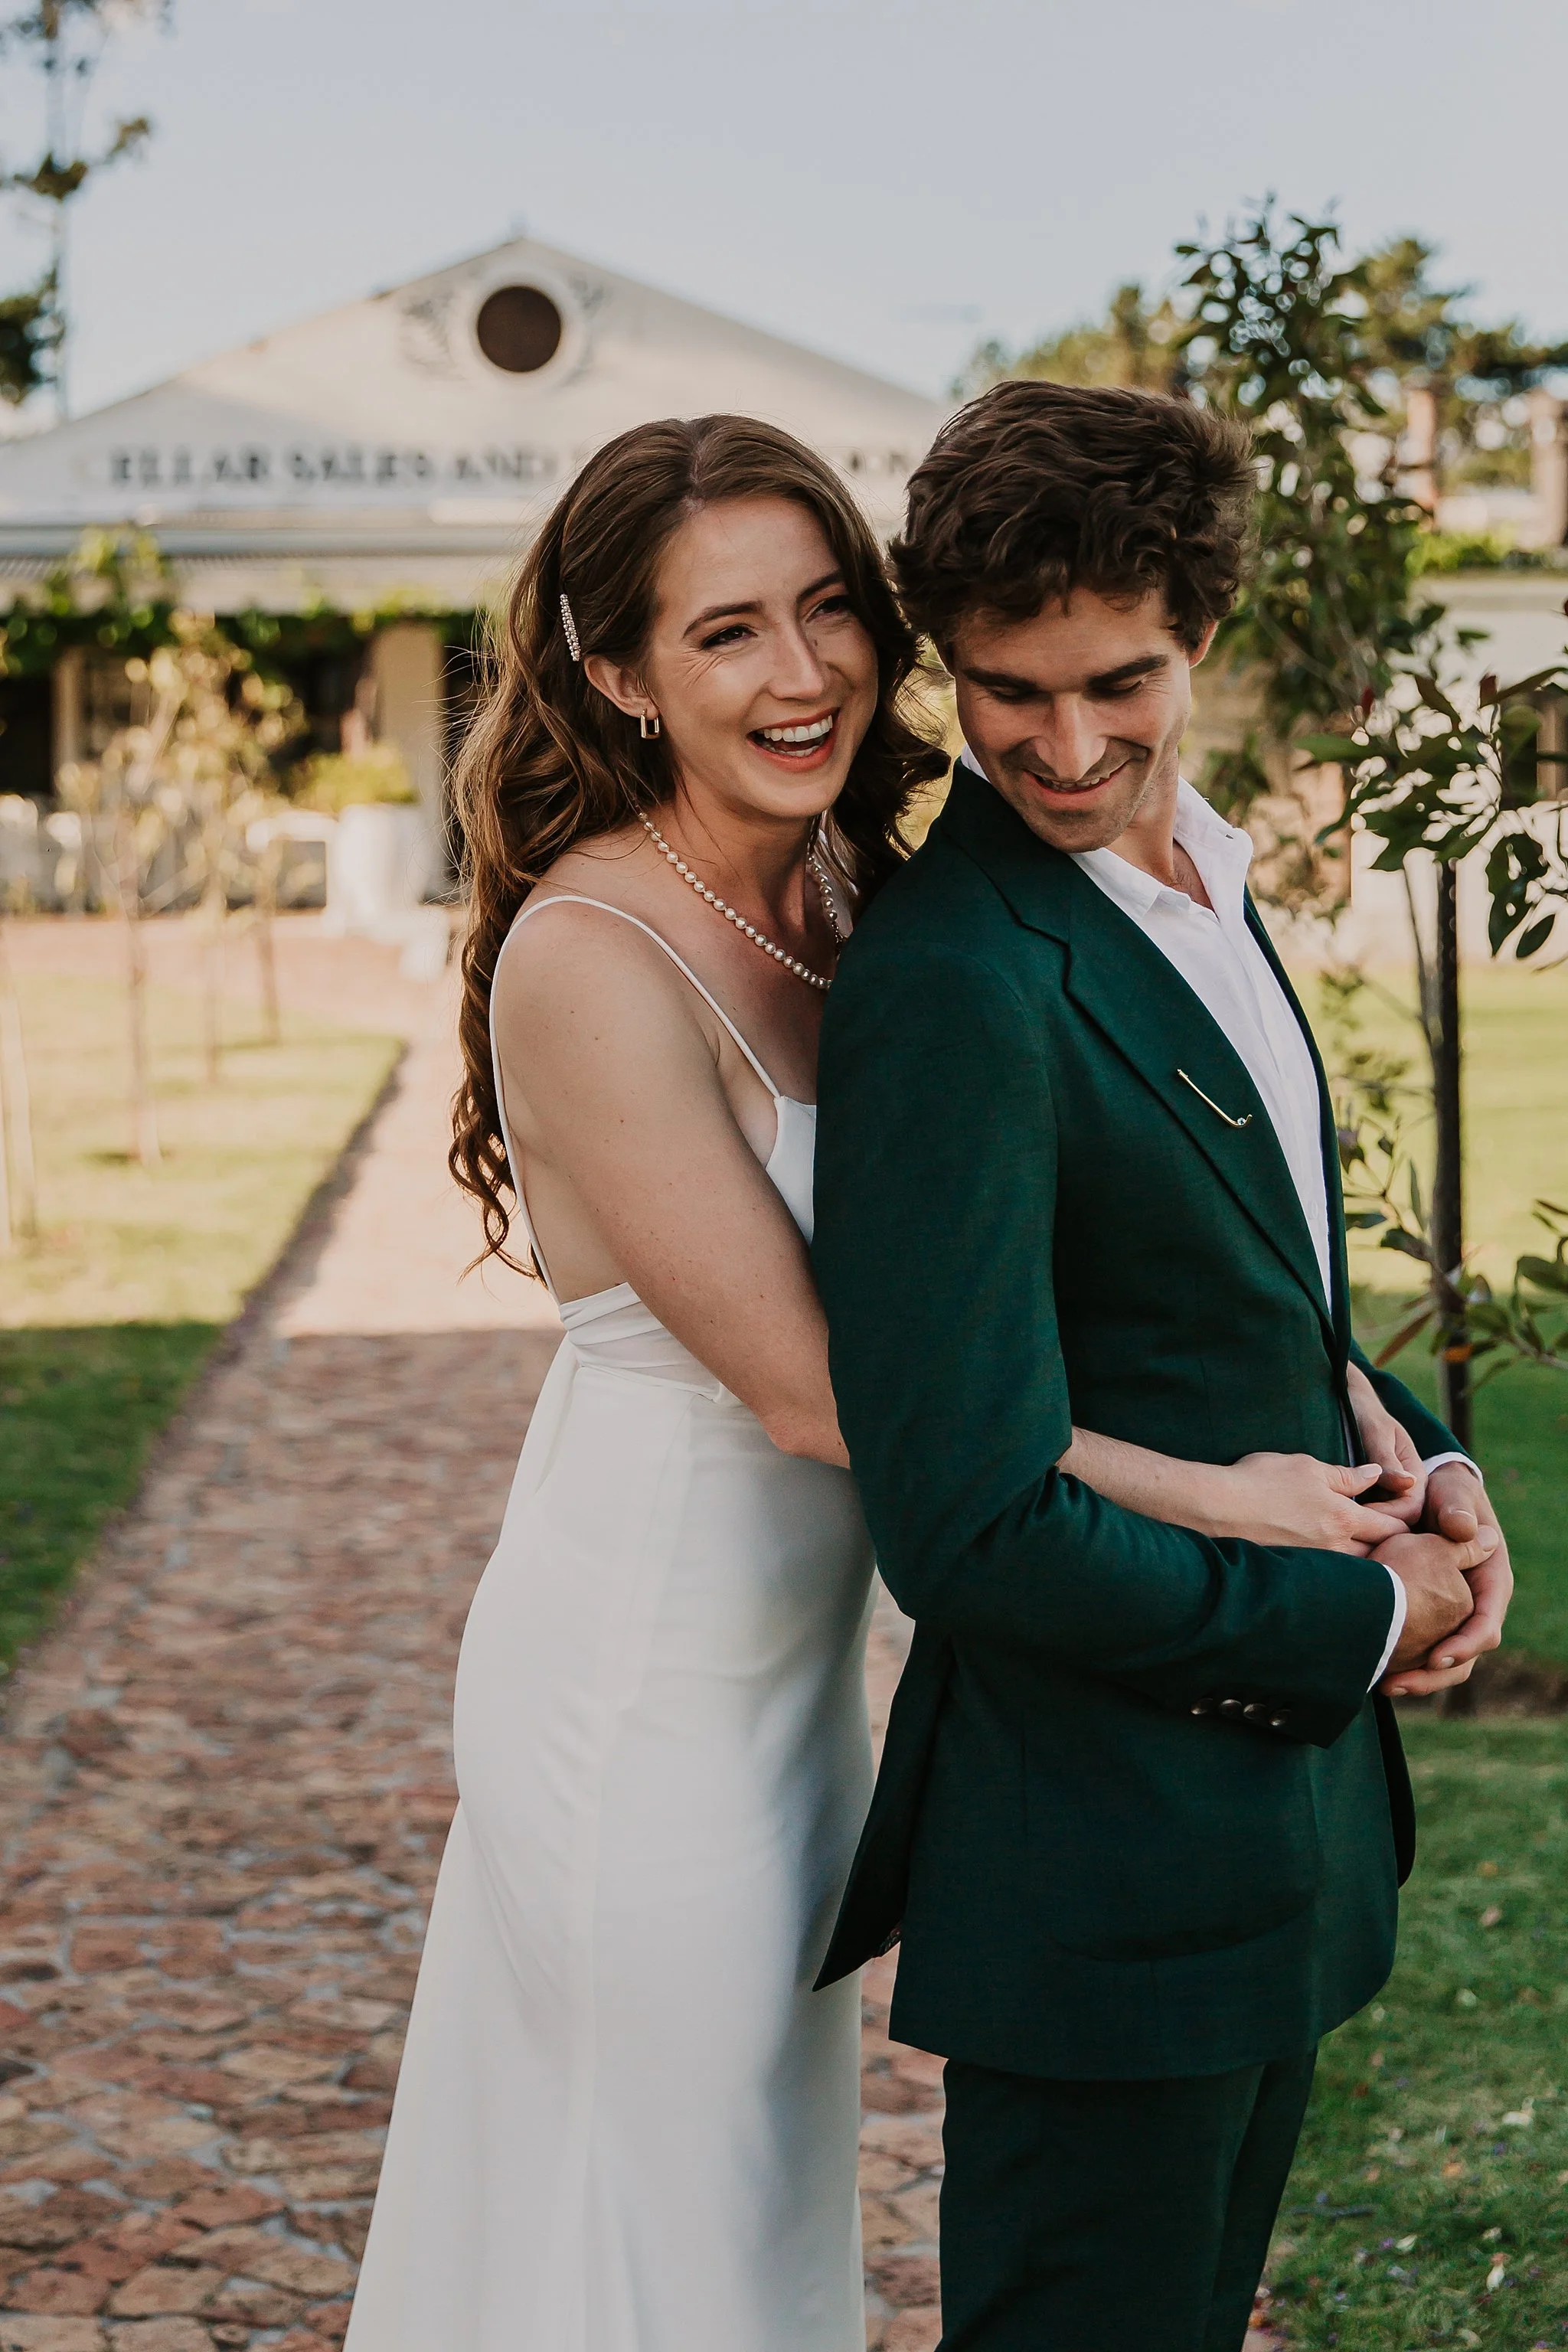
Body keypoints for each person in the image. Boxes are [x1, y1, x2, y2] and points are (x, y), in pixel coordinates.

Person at [344, 410, 1498, 2352]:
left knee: (754, 2205)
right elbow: (823, 1400)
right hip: (644, 1680)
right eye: (724, 635)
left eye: (823, 613)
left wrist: (1387, 1439)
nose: (798, 672)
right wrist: (1230, 1500)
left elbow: (1138, 1259)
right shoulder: (596, 951)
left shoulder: (858, 900)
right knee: (648, 2216)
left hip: (807, 1683)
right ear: (618, 673)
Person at [809, 378, 1514, 2352]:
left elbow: (1253, 1298)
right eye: (998, 691)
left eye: (1114, 681)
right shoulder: (952, 982)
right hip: (1098, 1876)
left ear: (1201, 630)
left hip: (1272, 1856)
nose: (1058, 741)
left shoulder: (1208, 880)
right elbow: (963, 1518)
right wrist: (1353, 1626)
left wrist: (1438, 1477)